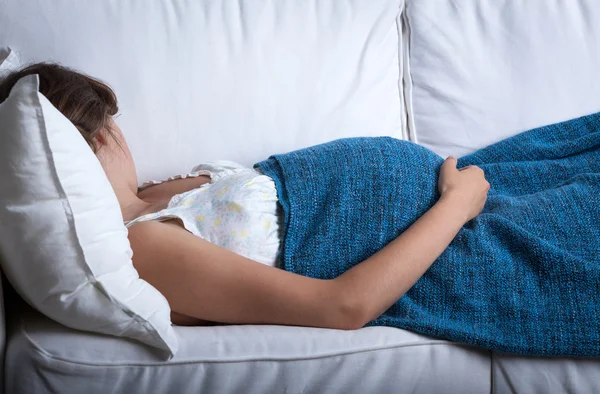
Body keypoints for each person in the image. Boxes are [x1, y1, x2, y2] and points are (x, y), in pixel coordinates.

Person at [0, 63, 490, 329]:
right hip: (447, 224)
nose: (120, 134)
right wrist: (455, 205)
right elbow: (343, 306)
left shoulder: (155, 199)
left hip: (448, 196)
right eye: (111, 123)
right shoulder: (144, 249)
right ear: (96, 137)